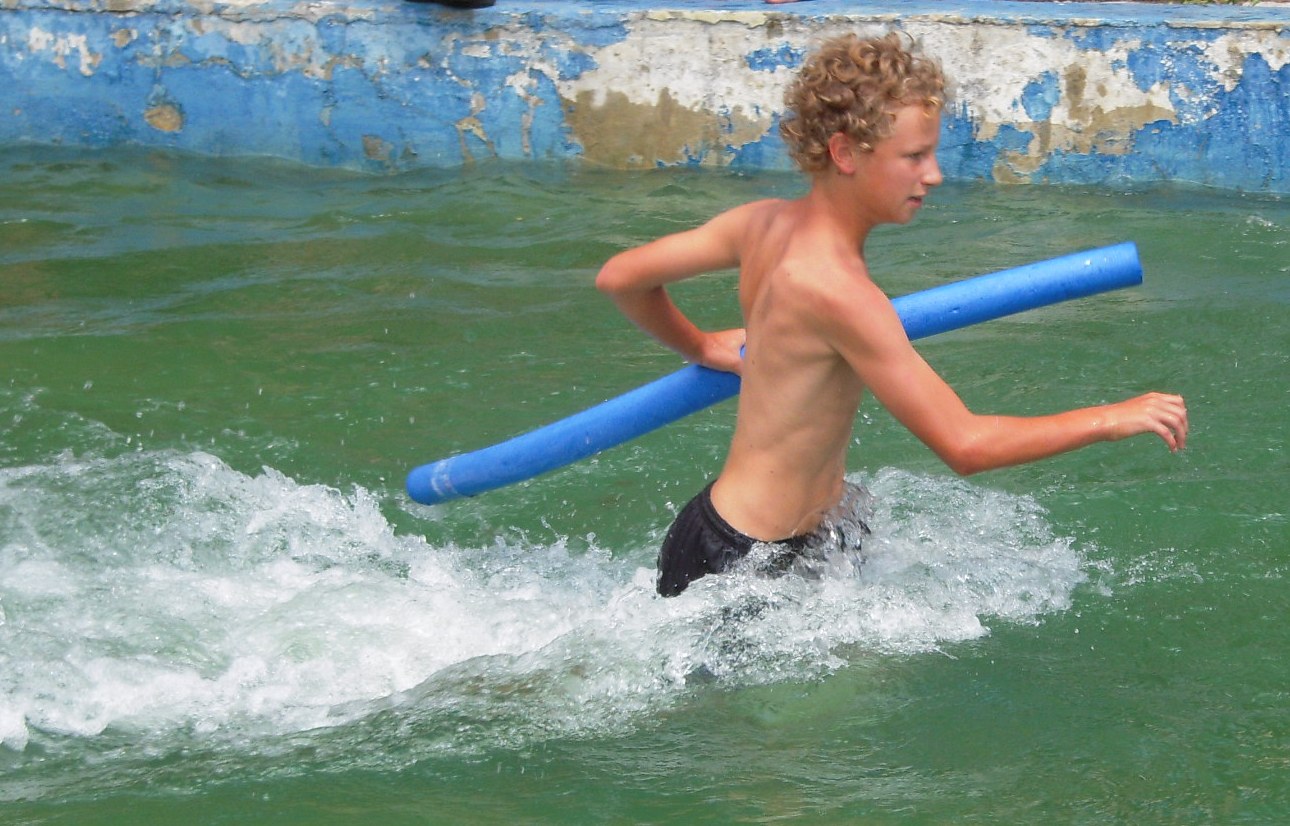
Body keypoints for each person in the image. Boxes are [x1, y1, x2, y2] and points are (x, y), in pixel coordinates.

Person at [595, 33, 1189, 597]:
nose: (934, 174)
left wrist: (700, 345)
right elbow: (966, 445)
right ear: (845, 153)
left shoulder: (760, 223)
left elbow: (622, 277)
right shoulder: (841, 293)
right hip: (747, 566)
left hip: (760, 533)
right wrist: (1111, 417)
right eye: (914, 156)